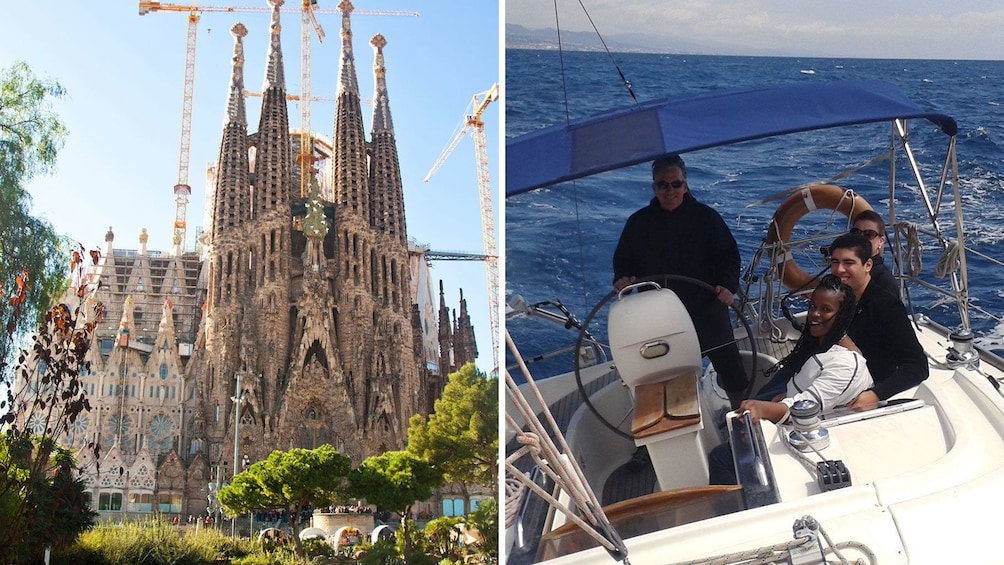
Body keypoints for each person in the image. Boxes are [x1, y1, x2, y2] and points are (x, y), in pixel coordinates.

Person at [708, 275, 872, 484]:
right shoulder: (821, 344)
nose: (814, 314)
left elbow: (804, 411)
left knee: (720, 458)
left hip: (804, 432)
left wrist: (762, 409)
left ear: (843, 315)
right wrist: (783, 395)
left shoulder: (846, 364)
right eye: (813, 306)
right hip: (788, 414)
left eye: (825, 309)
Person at [612, 154, 748, 408]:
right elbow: (623, 262)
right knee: (664, 376)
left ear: (685, 185)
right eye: (663, 185)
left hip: (706, 308)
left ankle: (741, 414)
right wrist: (622, 278)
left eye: (676, 184)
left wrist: (728, 286)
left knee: (731, 368)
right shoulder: (638, 224)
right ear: (654, 188)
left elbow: (729, 256)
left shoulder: (707, 218)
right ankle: (670, 426)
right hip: (658, 317)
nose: (670, 190)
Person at [828, 233, 929, 408]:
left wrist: (875, 395)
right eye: (835, 262)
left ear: (868, 265)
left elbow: (917, 366)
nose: (839, 270)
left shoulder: (886, 306)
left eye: (848, 262)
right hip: (831, 378)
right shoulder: (839, 298)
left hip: (860, 391)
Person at [851, 210, 899, 299]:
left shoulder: (884, 282)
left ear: (881, 242)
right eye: (856, 232)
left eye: (869, 234)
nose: (861, 238)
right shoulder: (846, 271)